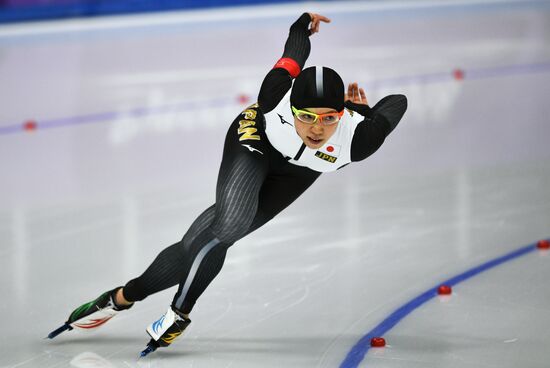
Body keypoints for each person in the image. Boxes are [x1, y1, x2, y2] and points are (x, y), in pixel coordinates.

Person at [48, 12, 407, 356]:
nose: (317, 128)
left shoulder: (356, 139)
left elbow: (398, 102)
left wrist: (366, 116)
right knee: (229, 224)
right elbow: (294, 54)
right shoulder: (275, 95)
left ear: (341, 115)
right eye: (308, 117)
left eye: (329, 119)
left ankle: (121, 297)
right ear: (292, 109)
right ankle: (178, 315)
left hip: (298, 174)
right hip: (255, 142)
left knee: (199, 242)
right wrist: (302, 24)